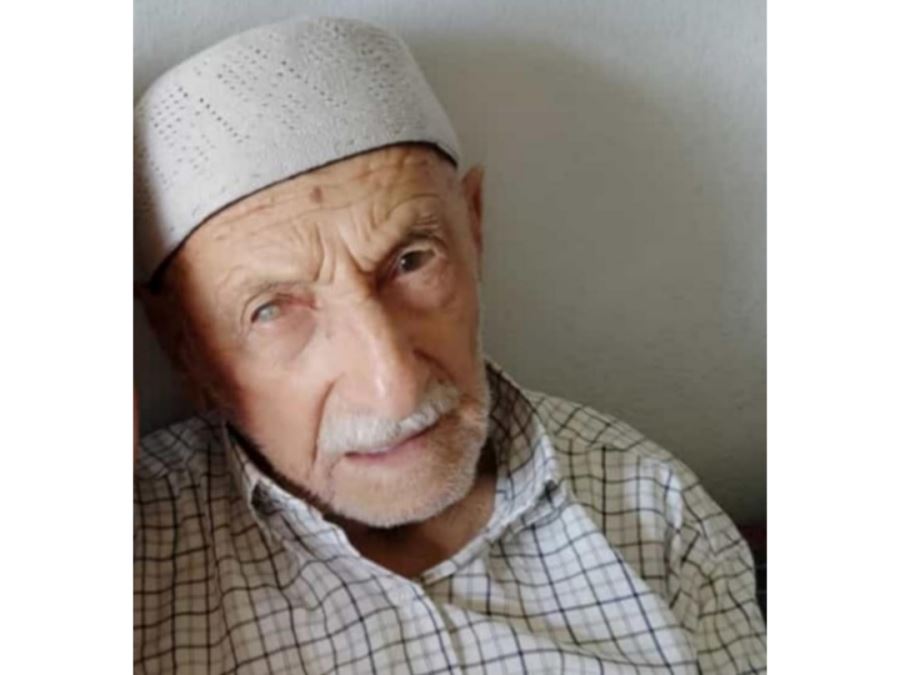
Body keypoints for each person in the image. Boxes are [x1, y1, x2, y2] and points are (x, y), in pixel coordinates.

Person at [133, 16, 766, 674]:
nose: (394, 389)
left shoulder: (655, 508)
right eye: (271, 310)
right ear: (183, 345)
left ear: (474, 227)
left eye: (412, 261)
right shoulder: (132, 560)